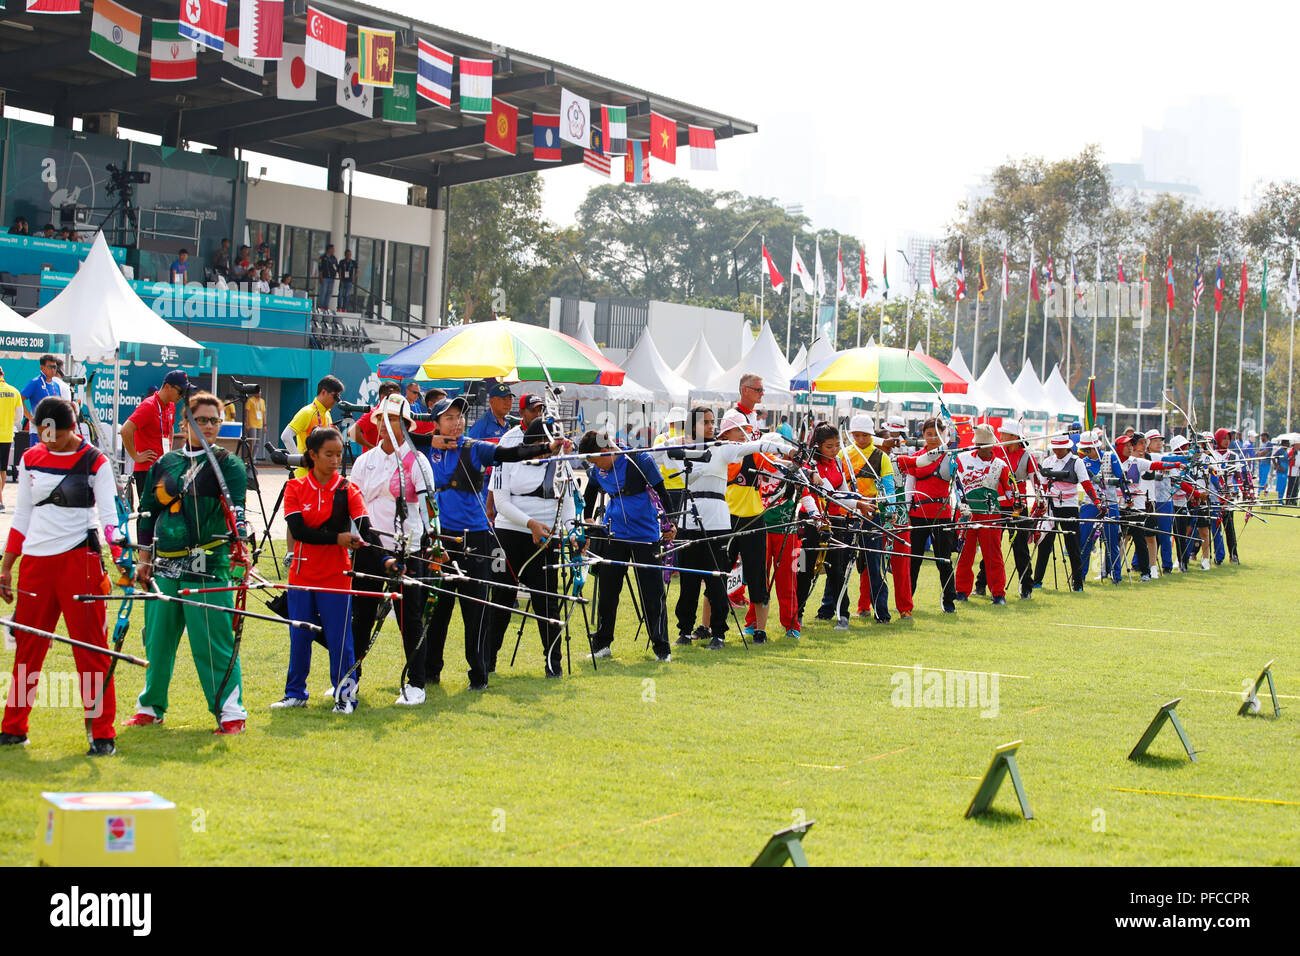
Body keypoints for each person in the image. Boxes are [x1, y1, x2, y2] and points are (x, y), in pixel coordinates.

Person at [0, 397, 119, 755]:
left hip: (79, 563)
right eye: (42, 433)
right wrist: (6, 567)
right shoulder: (31, 458)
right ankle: (13, 727)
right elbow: (21, 518)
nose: (49, 441)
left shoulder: (95, 461)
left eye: (57, 434)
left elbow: (111, 517)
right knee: (27, 647)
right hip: (35, 565)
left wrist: (121, 556)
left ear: (74, 428)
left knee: (91, 651)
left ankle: (102, 733)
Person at [125, 391, 250, 734]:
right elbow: (148, 513)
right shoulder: (165, 464)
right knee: (157, 638)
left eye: (215, 421)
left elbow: (235, 510)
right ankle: (150, 707)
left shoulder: (229, 464)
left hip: (207, 562)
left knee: (213, 640)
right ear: (185, 424)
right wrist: (143, 558)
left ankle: (230, 713)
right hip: (165, 562)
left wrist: (241, 543)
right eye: (202, 420)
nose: (209, 426)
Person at [425, 396, 561, 689]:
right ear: (435, 423)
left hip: (474, 539)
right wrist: (430, 439)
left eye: (460, 416)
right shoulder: (426, 449)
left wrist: (545, 448)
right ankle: (430, 671)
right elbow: (401, 438)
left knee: (476, 609)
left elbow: (510, 453)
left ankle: (479, 674)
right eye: (448, 418)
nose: (457, 422)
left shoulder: (475, 449)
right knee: (438, 609)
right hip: (441, 537)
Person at [271, 426, 376, 713]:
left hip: (336, 577)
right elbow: (299, 531)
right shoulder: (295, 487)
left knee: (341, 640)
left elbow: (366, 527)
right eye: (328, 454)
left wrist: (385, 557)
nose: (334, 460)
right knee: (300, 636)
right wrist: (338, 538)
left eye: (339, 454)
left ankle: (345, 698)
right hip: (302, 576)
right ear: (313, 455)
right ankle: (295, 693)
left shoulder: (348, 488)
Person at [671, 408, 792, 648]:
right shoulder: (682, 450)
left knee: (717, 579)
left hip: (716, 523)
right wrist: (679, 445)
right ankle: (684, 630)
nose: (709, 427)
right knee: (688, 581)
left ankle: (718, 633)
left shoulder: (723, 449)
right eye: (704, 423)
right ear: (691, 427)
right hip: (689, 520)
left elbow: (756, 447)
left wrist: (789, 451)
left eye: (711, 422)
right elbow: (663, 464)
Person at [348, 395, 438, 703]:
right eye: (382, 419)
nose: (387, 425)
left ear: (406, 425)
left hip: (406, 548)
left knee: (409, 618)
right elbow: (353, 503)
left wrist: (431, 540)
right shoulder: (365, 460)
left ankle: (415, 684)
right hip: (369, 548)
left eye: (395, 419)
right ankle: (349, 681)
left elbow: (428, 509)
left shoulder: (417, 460)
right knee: (360, 617)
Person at [491, 417, 579, 678]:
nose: (545, 448)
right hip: (509, 532)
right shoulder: (508, 452)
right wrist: (530, 524)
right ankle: (487, 660)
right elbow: (501, 502)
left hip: (546, 536)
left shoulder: (560, 459)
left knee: (547, 602)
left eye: (548, 443)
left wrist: (573, 531)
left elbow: (568, 498)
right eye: (540, 443)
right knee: (501, 599)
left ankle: (554, 664)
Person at [580, 429, 676, 662]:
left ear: (606, 450)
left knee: (652, 593)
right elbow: (590, 491)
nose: (595, 467)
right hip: (615, 533)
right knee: (608, 591)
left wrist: (671, 523)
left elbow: (662, 492)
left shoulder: (640, 459)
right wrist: (588, 516)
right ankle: (602, 644)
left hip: (645, 534)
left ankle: (661, 648)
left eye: (595, 460)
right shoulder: (599, 468)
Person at [721, 409, 782, 640]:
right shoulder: (719, 454)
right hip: (724, 521)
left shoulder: (755, 454)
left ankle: (760, 630)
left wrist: (795, 462)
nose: (743, 435)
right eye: (737, 431)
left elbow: (776, 464)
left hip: (753, 520)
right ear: (725, 434)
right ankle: (707, 627)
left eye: (746, 431)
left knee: (757, 577)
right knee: (718, 574)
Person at [896, 418, 958, 613]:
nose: (932, 438)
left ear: (943, 434)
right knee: (913, 560)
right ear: (923, 435)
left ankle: (949, 600)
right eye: (929, 434)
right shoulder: (916, 457)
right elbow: (909, 487)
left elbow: (956, 485)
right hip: (917, 514)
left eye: (937, 434)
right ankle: (907, 601)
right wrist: (905, 512)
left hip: (942, 514)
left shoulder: (949, 456)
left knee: (944, 559)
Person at [953, 424, 1016, 604]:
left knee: (993, 555)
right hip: (967, 513)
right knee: (965, 553)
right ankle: (961, 591)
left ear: (992, 445)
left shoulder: (1000, 465)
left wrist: (1011, 509)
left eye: (984, 444)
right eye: (977, 444)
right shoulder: (962, 458)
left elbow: (1010, 492)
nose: (980, 448)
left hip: (990, 514)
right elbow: (952, 481)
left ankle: (998, 594)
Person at [1031, 434, 1103, 592]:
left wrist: (1096, 501)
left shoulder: (1077, 462)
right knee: (1045, 543)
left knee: (1072, 545)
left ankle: (1077, 583)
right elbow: (1042, 485)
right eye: (1054, 448)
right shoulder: (1048, 461)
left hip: (1069, 507)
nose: (1056, 451)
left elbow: (1086, 484)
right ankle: (1037, 581)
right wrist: (1040, 504)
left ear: (1067, 447)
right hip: (1050, 505)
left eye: (1059, 448)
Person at [841, 414, 893, 623]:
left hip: (872, 514)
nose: (861, 439)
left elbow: (888, 487)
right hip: (849, 512)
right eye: (857, 435)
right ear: (852, 435)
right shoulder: (844, 454)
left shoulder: (881, 457)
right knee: (841, 563)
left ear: (871, 434)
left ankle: (881, 611)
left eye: (865, 435)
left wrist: (887, 506)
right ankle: (830, 608)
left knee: (875, 565)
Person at [980, 419, 1035, 600]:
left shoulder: (1026, 455)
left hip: (1018, 506)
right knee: (991, 546)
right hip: (996, 505)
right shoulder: (994, 451)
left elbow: (1036, 481)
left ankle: (1026, 586)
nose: (1000, 437)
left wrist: (1039, 502)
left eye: (1004, 434)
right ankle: (981, 584)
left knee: (1020, 547)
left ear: (1014, 437)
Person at [121, 370, 187, 502]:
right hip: (147, 470)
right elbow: (125, 430)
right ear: (167, 386)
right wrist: (135, 456)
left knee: (164, 514)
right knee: (148, 514)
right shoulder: (149, 405)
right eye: (180, 391)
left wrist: (169, 455)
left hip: (165, 467)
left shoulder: (171, 406)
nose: (182, 396)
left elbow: (170, 431)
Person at [281, 375, 342, 479]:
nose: (337, 400)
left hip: (322, 476)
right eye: (335, 396)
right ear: (323, 392)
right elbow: (286, 436)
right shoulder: (307, 412)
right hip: (305, 477)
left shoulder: (327, 414)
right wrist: (300, 462)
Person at [20, 355, 63, 451]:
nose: (53, 370)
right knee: (37, 455)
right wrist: (30, 417)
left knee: (50, 456)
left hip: (52, 428)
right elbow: (20, 399)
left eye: (54, 367)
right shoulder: (35, 382)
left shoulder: (56, 385)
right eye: (50, 367)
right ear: (42, 368)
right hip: (38, 428)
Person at [654, 407, 688, 520]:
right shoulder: (692, 439)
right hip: (686, 487)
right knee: (683, 523)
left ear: (670, 422)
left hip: (666, 488)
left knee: (667, 523)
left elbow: (653, 462)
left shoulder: (661, 439)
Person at [0, 368, 24, 511]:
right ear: (3, 374)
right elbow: (19, 418)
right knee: (2, 469)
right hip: (7, 435)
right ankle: (0, 499)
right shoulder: (14, 391)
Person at [244, 385, 266, 461]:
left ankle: (253, 457)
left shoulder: (262, 401)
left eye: (260, 391)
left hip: (259, 424)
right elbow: (247, 412)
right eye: (258, 392)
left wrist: (265, 424)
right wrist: (247, 424)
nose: (259, 393)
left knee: (258, 442)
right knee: (252, 442)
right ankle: (249, 457)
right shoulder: (250, 400)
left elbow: (263, 413)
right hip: (252, 424)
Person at [316, 243, 339, 313]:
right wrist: (321, 276)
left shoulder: (334, 258)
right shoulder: (322, 257)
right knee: (323, 291)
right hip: (325, 277)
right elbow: (320, 267)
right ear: (329, 249)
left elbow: (336, 267)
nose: (333, 250)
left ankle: (326, 306)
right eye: (332, 249)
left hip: (331, 278)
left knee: (329, 292)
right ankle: (321, 305)